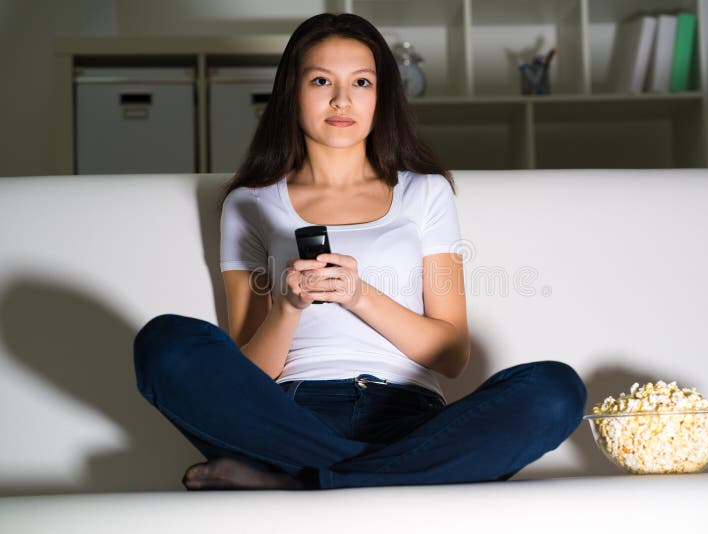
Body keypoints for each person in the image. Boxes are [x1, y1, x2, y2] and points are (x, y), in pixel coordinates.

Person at [133, 12, 587, 491]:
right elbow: (246, 375)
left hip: (411, 420)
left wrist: (359, 295)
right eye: (322, 80)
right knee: (164, 343)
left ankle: (301, 482)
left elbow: (453, 355)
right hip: (288, 420)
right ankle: (369, 475)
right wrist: (288, 306)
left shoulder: (426, 193)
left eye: (362, 82)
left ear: (381, 96)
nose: (341, 99)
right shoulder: (250, 203)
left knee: (555, 391)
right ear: (292, 92)